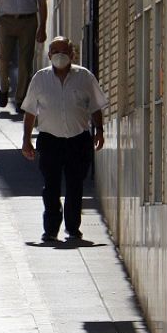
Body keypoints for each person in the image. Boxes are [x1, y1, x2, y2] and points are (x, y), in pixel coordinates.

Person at [21, 37, 107, 242]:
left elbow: (95, 106)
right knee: (51, 187)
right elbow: (30, 111)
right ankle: (50, 230)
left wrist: (100, 130)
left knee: (75, 185)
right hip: (50, 140)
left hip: (78, 140)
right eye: (55, 51)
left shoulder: (84, 77)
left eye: (64, 51)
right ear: (49, 55)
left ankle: (73, 228)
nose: (60, 55)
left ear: (72, 54)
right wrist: (26, 139)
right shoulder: (40, 79)